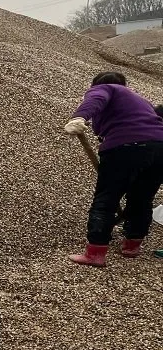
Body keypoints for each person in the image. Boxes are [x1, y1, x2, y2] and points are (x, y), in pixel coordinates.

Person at [64, 72, 163, 266]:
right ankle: (132, 245)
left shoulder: (106, 88)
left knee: (106, 198)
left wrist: (79, 117)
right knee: (142, 197)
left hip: (126, 146)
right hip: (160, 148)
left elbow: (96, 98)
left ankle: (95, 253)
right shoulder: (139, 101)